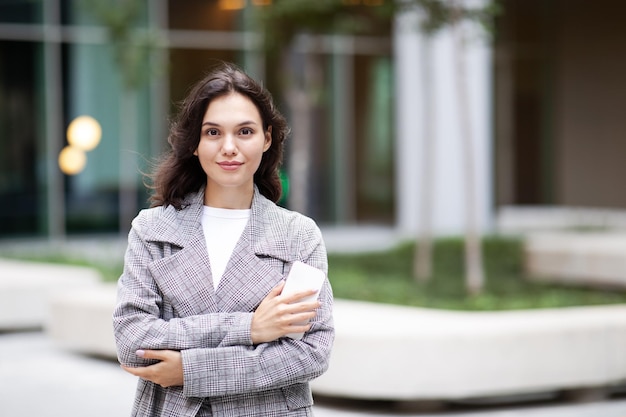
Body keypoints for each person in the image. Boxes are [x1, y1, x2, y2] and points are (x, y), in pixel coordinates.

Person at [112, 62, 334, 417]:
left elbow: (310, 352)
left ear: (266, 138)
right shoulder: (152, 230)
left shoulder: (298, 235)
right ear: (195, 144)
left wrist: (191, 371)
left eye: (244, 132)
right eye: (213, 133)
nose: (229, 147)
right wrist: (250, 327)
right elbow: (133, 339)